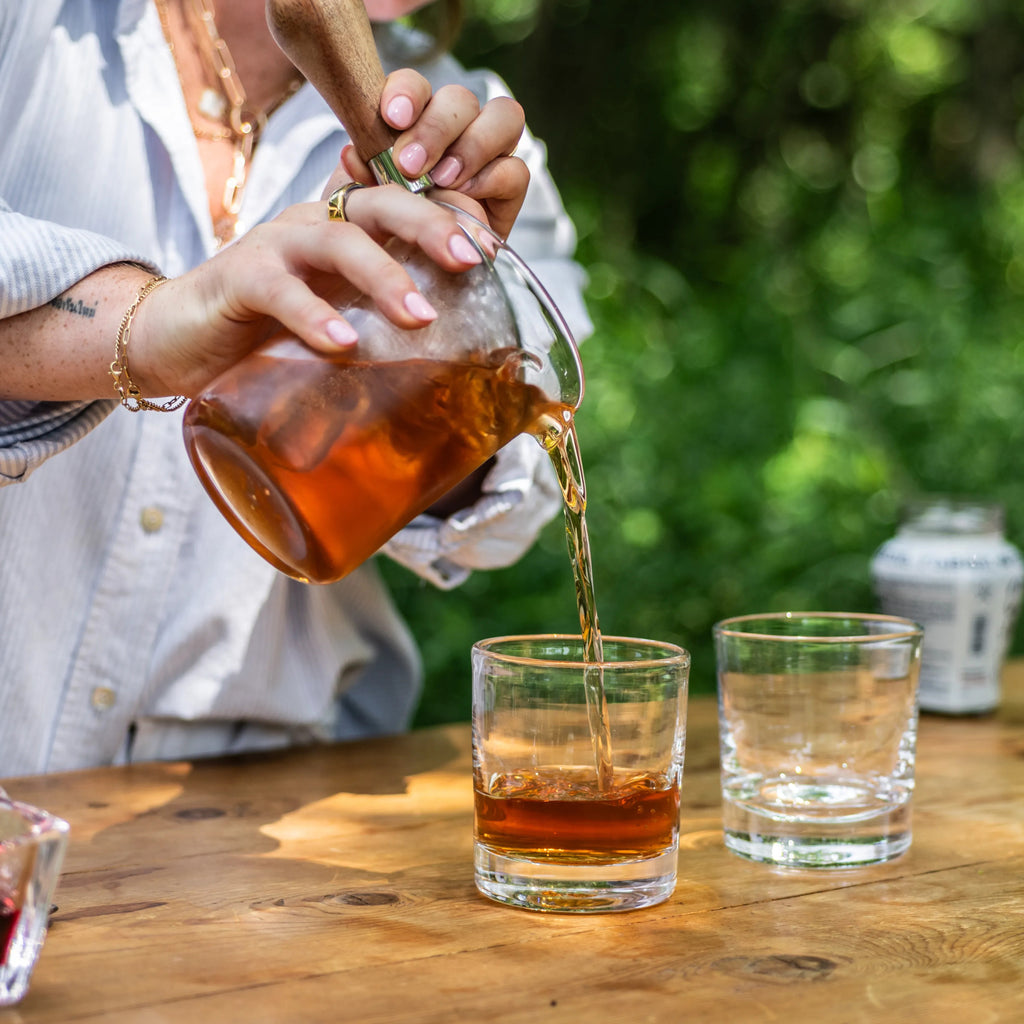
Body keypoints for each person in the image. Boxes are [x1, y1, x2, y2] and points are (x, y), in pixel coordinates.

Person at [0, 0, 591, 775]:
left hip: (248, 803)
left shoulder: (471, 137)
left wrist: (452, 327)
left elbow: (508, 512)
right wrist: (152, 323)